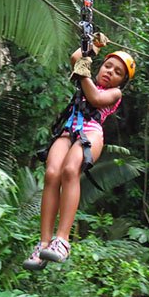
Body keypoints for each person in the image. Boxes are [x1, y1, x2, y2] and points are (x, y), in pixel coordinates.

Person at [23, 34, 135, 271]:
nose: (109, 72)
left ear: (122, 82)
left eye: (117, 72)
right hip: (68, 129)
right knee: (52, 174)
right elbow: (76, 57)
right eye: (107, 66)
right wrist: (93, 45)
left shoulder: (114, 94)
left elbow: (95, 98)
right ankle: (43, 243)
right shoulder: (87, 77)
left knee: (70, 170)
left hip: (91, 133)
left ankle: (62, 240)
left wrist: (83, 68)